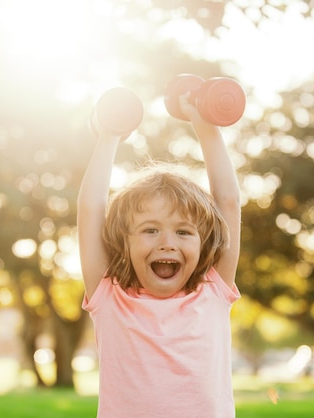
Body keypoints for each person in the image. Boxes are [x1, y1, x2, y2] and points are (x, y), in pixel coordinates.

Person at [77, 92, 241, 418]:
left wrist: (205, 124)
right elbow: (90, 209)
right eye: (150, 230)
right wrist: (109, 136)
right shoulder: (109, 296)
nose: (167, 243)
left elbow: (229, 201)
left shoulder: (213, 289)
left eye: (183, 232)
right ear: (123, 241)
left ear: (205, 240)